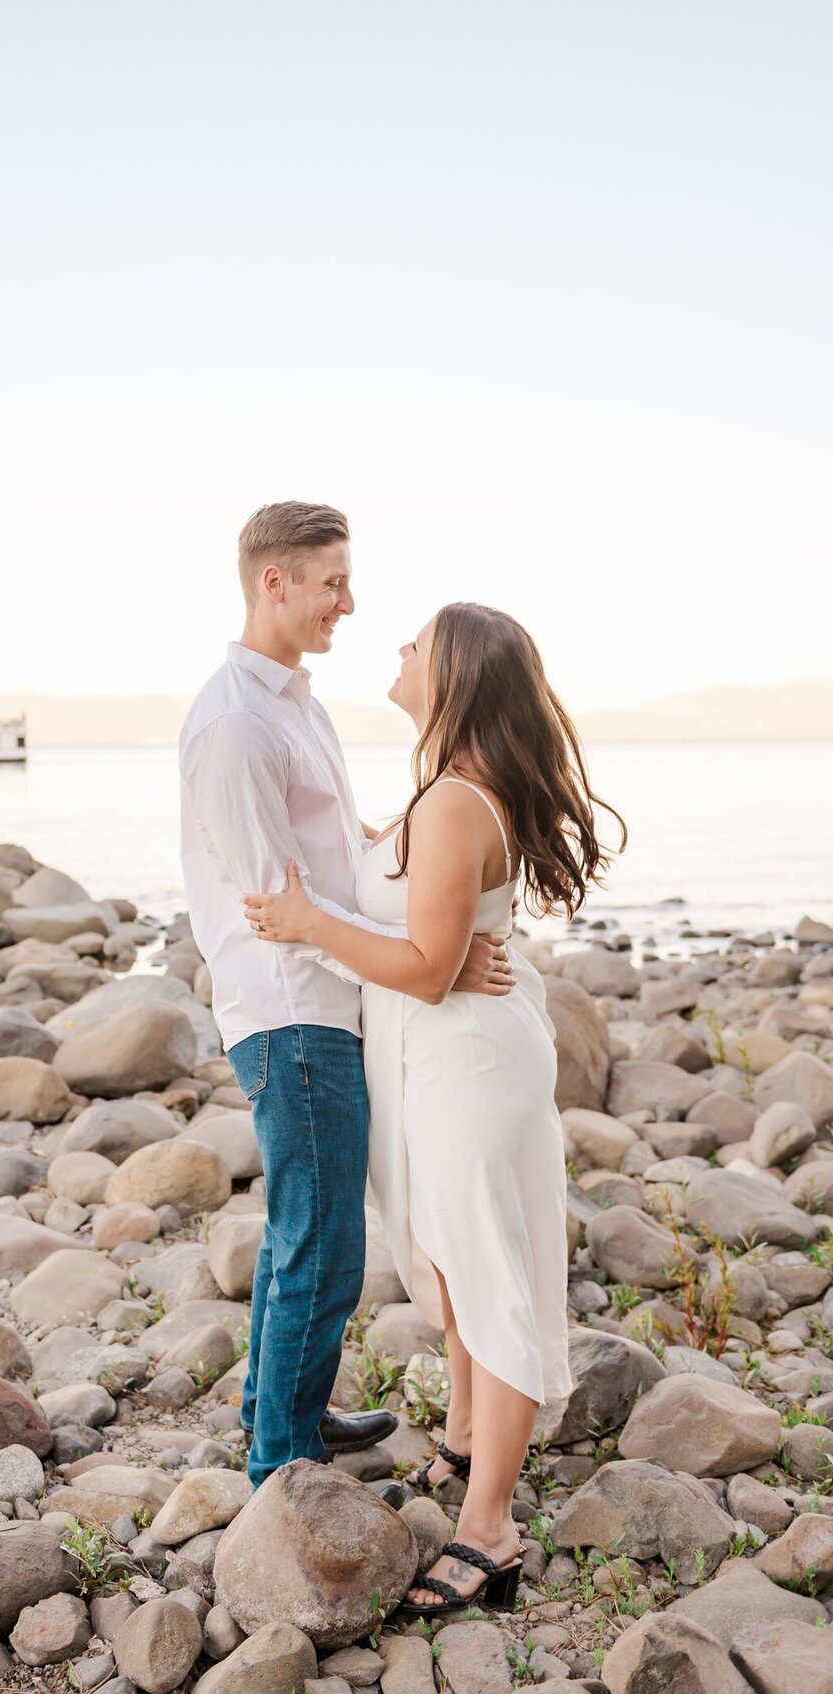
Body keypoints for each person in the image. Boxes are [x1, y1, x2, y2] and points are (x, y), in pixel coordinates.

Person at [244, 601, 625, 1608]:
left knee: (486, 1279)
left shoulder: (458, 803)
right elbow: (431, 926)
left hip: (466, 1070)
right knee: (455, 1269)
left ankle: (491, 1530)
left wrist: (306, 923)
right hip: (439, 1065)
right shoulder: (444, 797)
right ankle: (463, 1443)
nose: (400, 651)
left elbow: (421, 968)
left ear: (452, 674)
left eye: (417, 644)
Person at [179, 509, 516, 1492]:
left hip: (324, 998)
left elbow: (339, 851)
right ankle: (280, 1461)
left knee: (312, 1225)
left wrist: (432, 900)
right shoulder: (238, 721)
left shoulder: (294, 705)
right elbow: (273, 897)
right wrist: (434, 961)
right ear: (273, 583)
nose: (350, 603)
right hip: (291, 1007)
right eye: (331, 583)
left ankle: (281, 1407)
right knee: (323, 1235)